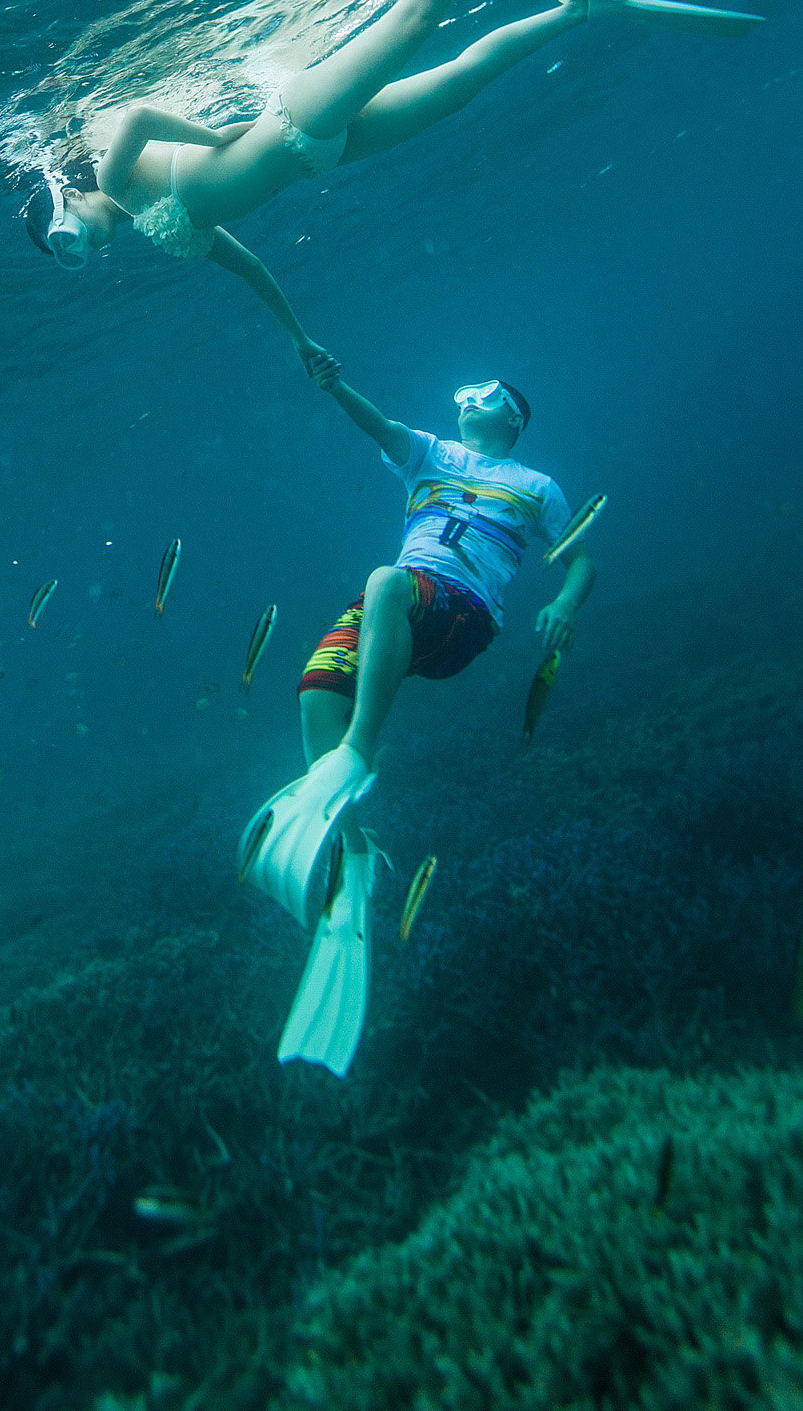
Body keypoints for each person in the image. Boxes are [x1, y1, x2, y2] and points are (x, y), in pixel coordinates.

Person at [24, 0, 758, 365]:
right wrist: (300, 338)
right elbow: (250, 268)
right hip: (319, 156)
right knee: (461, 85)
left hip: (292, 120)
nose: (81, 251)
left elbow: (143, 113)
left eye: (65, 240)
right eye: (70, 259)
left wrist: (216, 140)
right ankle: (583, 9)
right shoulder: (159, 226)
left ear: (66, 204)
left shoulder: (115, 175)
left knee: (412, 23)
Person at [236, 363, 596, 1078]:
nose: (466, 401)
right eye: (464, 393)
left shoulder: (538, 487)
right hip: (396, 610)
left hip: (461, 613)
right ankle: (355, 850)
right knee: (314, 693)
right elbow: (377, 424)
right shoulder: (431, 453)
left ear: (514, 419)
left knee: (384, 581)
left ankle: (357, 755)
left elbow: (580, 559)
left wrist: (563, 604)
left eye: (484, 394)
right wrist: (331, 380)